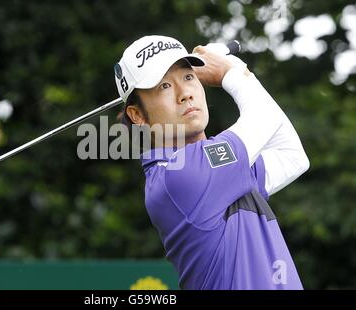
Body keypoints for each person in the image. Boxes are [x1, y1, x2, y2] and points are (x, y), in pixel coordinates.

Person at [113, 35, 310, 290]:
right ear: (137, 115)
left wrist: (234, 69)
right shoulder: (177, 176)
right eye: (164, 86)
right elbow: (265, 118)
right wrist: (230, 71)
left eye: (188, 77)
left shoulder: (226, 168)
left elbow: (292, 155)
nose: (185, 94)